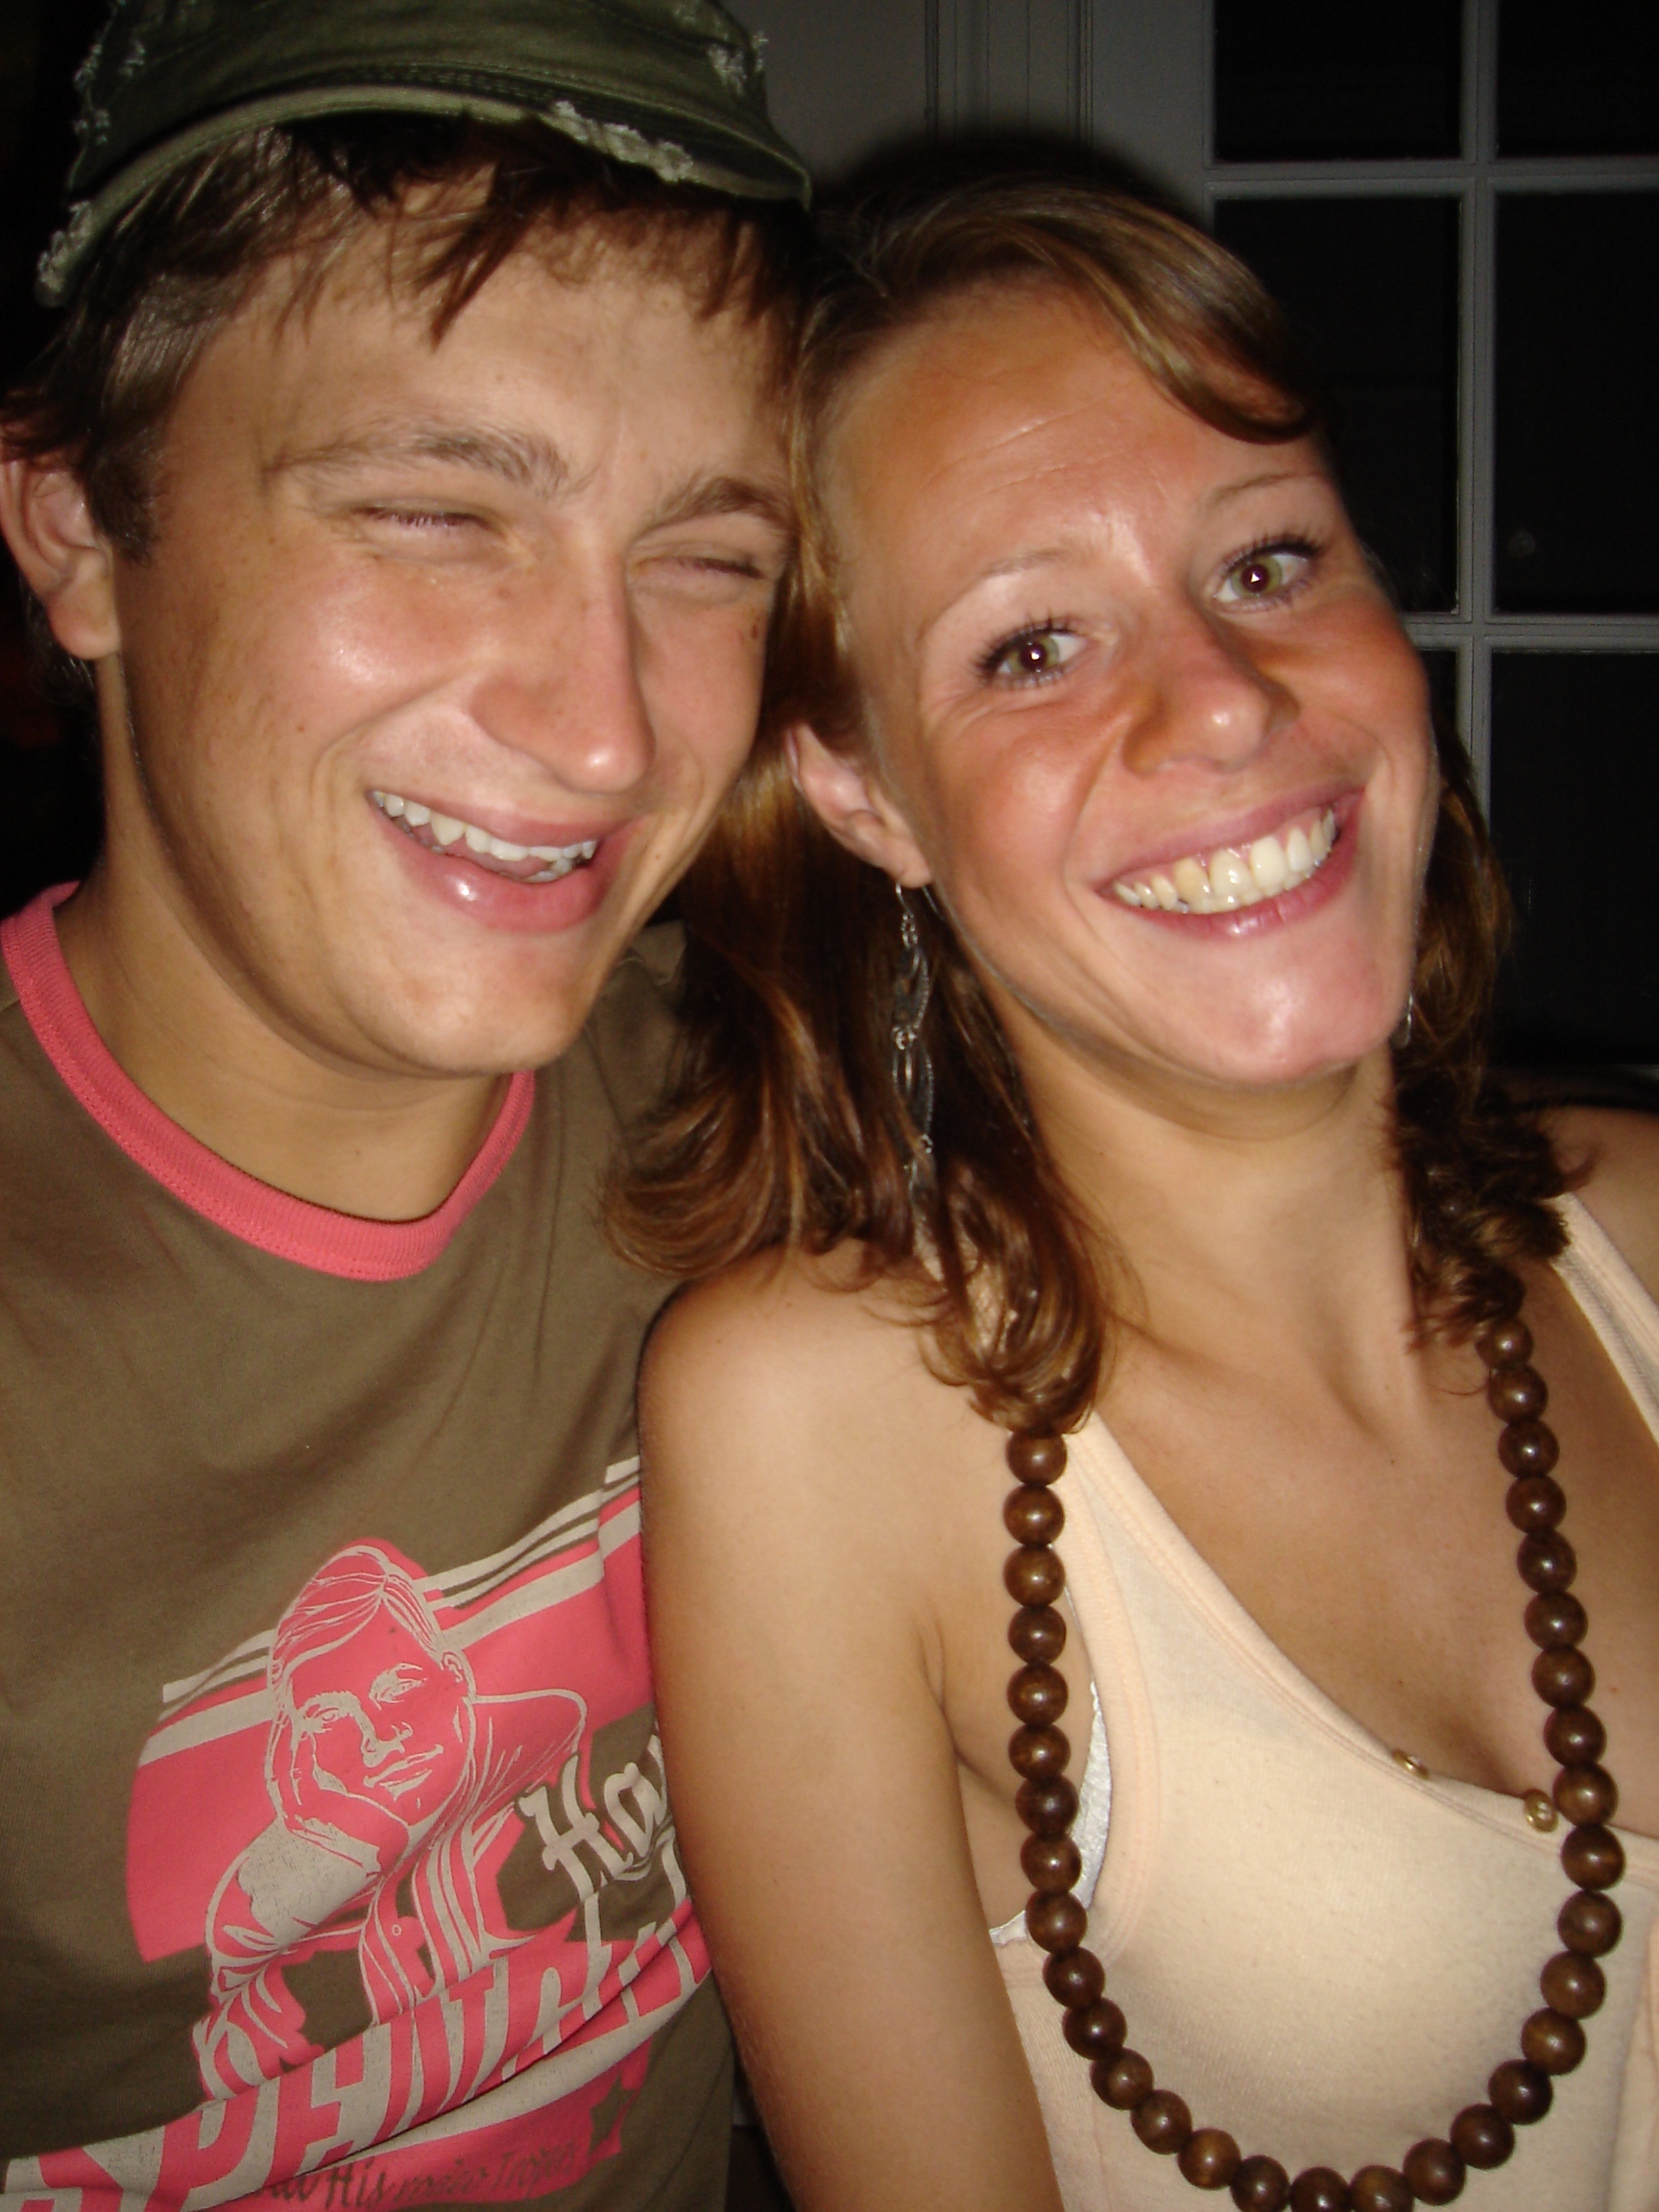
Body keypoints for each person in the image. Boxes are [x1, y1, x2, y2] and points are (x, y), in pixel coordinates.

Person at [620, 170, 1659, 2212]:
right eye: (1033, 647)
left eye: (1269, 561)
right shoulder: (817, 1426)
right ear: (862, 790)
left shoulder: (1639, 1222)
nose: (1227, 700)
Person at [0, 1, 809, 2202]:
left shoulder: (788, 1120)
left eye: (708, 559)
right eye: (438, 511)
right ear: (79, 529)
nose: (609, 729)